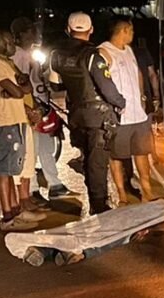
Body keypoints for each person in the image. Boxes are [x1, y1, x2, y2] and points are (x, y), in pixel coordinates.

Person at [50, 12, 125, 216]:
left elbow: (55, 85)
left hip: (76, 115)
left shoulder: (56, 54)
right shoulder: (92, 55)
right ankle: (99, 205)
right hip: (98, 116)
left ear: (68, 29)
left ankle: (95, 198)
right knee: (97, 163)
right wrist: (120, 102)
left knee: (87, 159)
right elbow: (106, 87)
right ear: (91, 30)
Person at [0, 27, 46, 232]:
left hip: (14, 119)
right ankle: (7, 216)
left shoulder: (0, 62)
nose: (9, 44)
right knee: (5, 169)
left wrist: (19, 88)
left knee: (13, 165)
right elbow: (17, 90)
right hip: (4, 122)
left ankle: (16, 211)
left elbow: (25, 87)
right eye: (3, 40)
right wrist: (18, 88)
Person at [10, 17, 70, 200]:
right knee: (32, 149)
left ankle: (55, 184)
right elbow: (20, 83)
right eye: (30, 30)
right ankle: (32, 189)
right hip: (32, 108)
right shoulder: (17, 55)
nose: (34, 33)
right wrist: (30, 107)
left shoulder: (31, 53)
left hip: (43, 105)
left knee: (46, 146)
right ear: (21, 34)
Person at [97, 17, 156, 203]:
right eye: (131, 30)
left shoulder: (129, 50)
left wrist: (142, 97)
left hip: (138, 114)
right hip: (119, 117)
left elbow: (138, 73)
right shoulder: (104, 51)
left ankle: (147, 192)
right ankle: (122, 194)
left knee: (142, 153)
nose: (133, 34)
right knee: (117, 156)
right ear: (124, 30)